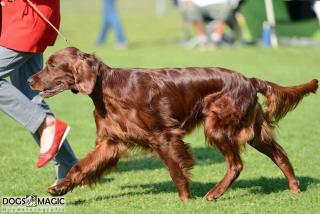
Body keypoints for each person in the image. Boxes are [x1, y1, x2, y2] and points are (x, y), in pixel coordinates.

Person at [0, 0, 77, 186]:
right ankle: (70, 167)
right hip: (14, 20)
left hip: (26, 22)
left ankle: (46, 124)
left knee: (33, 104)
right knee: (30, 97)